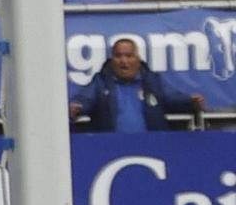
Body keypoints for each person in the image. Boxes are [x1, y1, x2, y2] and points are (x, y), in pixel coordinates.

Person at [69, 37, 203, 133]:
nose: (123, 61)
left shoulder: (153, 81)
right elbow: (84, 99)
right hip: (109, 149)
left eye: (129, 56)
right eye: (118, 56)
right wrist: (76, 107)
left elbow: (173, 98)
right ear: (112, 59)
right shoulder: (101, 81)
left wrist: (191, 102)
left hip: (152, 146)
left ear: (137, 59)